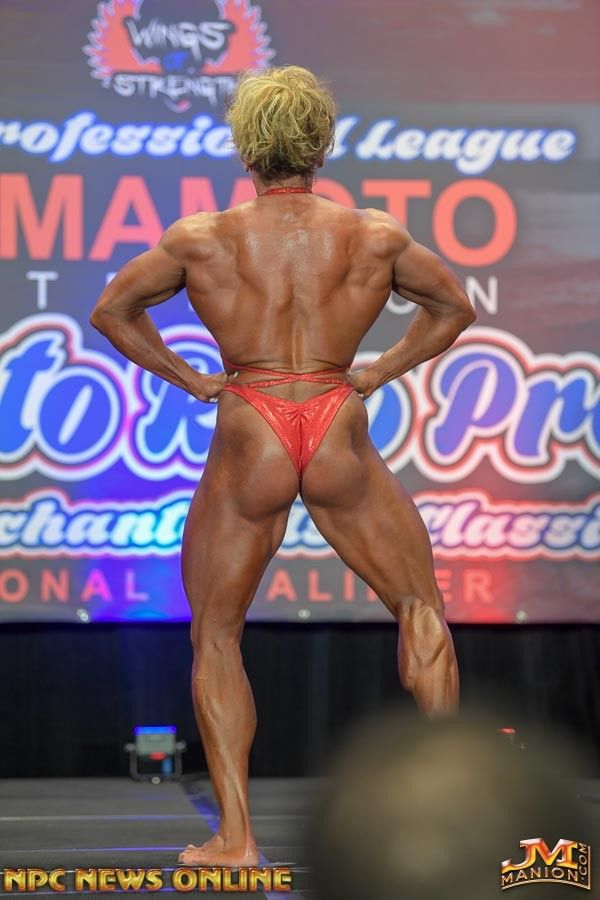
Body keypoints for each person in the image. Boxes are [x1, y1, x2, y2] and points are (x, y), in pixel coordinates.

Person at [90, 65, 476, 867]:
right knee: (419, 608)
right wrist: (378, 370)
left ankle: (236, 838)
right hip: (336, 417)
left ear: (246, 148)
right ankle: (456, 820)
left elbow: (112, 310)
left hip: (250, 422)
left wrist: (191, 379)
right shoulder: (373, 235)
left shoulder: (202, 238)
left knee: (217, 633)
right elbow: (454, 308)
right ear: (321, 145)